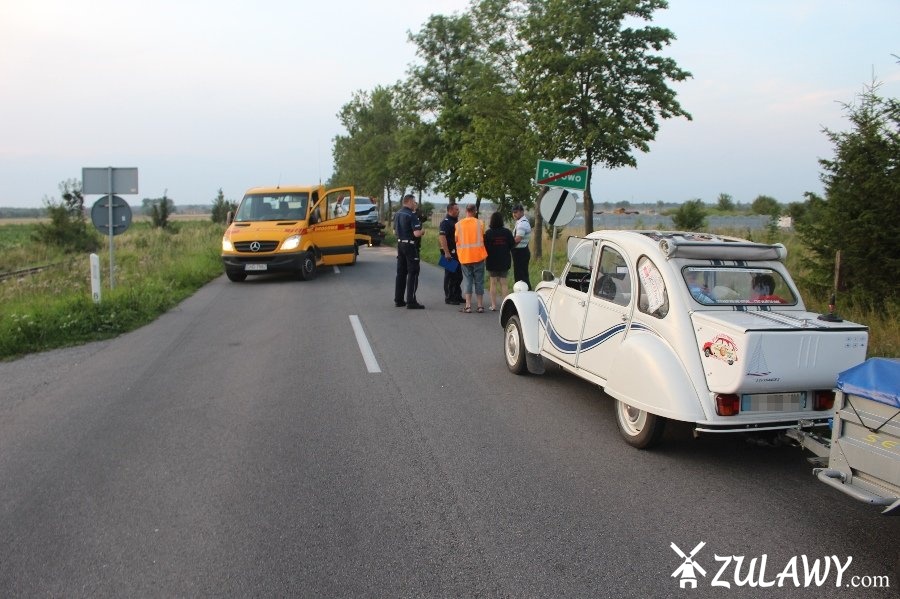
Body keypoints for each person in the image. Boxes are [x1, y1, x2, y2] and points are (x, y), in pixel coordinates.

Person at [393, 194, 425, 309]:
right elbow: (416, 233)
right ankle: (411, 301)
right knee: (413, 272)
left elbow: (394, 232)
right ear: (410, 201)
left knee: (401, 272)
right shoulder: (411, 215)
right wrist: (422, 231)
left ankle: (399, 299)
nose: (414, 204)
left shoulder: (397, 214)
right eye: (414, 202)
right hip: (410, 245)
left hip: (400, 244)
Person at [454, 204, 488, 313]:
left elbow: (456, 239)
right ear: (475, 211)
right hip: (478, 256)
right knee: (479, 281)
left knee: (468, 281)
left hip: (465, 257)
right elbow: (483, 237)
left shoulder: (458, 225)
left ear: (466, 211)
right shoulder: (480, 223)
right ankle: (480, 306)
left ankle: (468, 306)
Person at [483, 211, 515, 311]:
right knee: (504, 283)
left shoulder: (488, 233)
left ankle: (493, 305)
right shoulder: (507, 232)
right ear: (502, 221)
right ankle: (505, 306)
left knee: (493, 283)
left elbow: (485, 247)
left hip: (492, 261)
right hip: (504, 260)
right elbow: (512, 245)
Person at [438, 202, 463, 305]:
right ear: (450, 210)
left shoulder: (455, 221)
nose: (458, 211)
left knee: (458, 276)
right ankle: (449, 297)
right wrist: (446, 252)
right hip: (449, 253)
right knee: (450, 276)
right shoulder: (445, 222)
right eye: (456, 209)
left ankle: (457, 296)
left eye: (458, 209)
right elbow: (442, 237)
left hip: (457, 253)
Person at [511, 204, 532, 290]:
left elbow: (518, 239)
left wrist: (509, 245)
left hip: (520, 252)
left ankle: (525, 292)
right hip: (521, 251)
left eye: (516, 212)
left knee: (521, 276)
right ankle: (525, 292)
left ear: (522, 212)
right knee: (522, 274)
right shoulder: (521, 222)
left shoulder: (522, 224)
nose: (514, 214)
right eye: (513, 212)